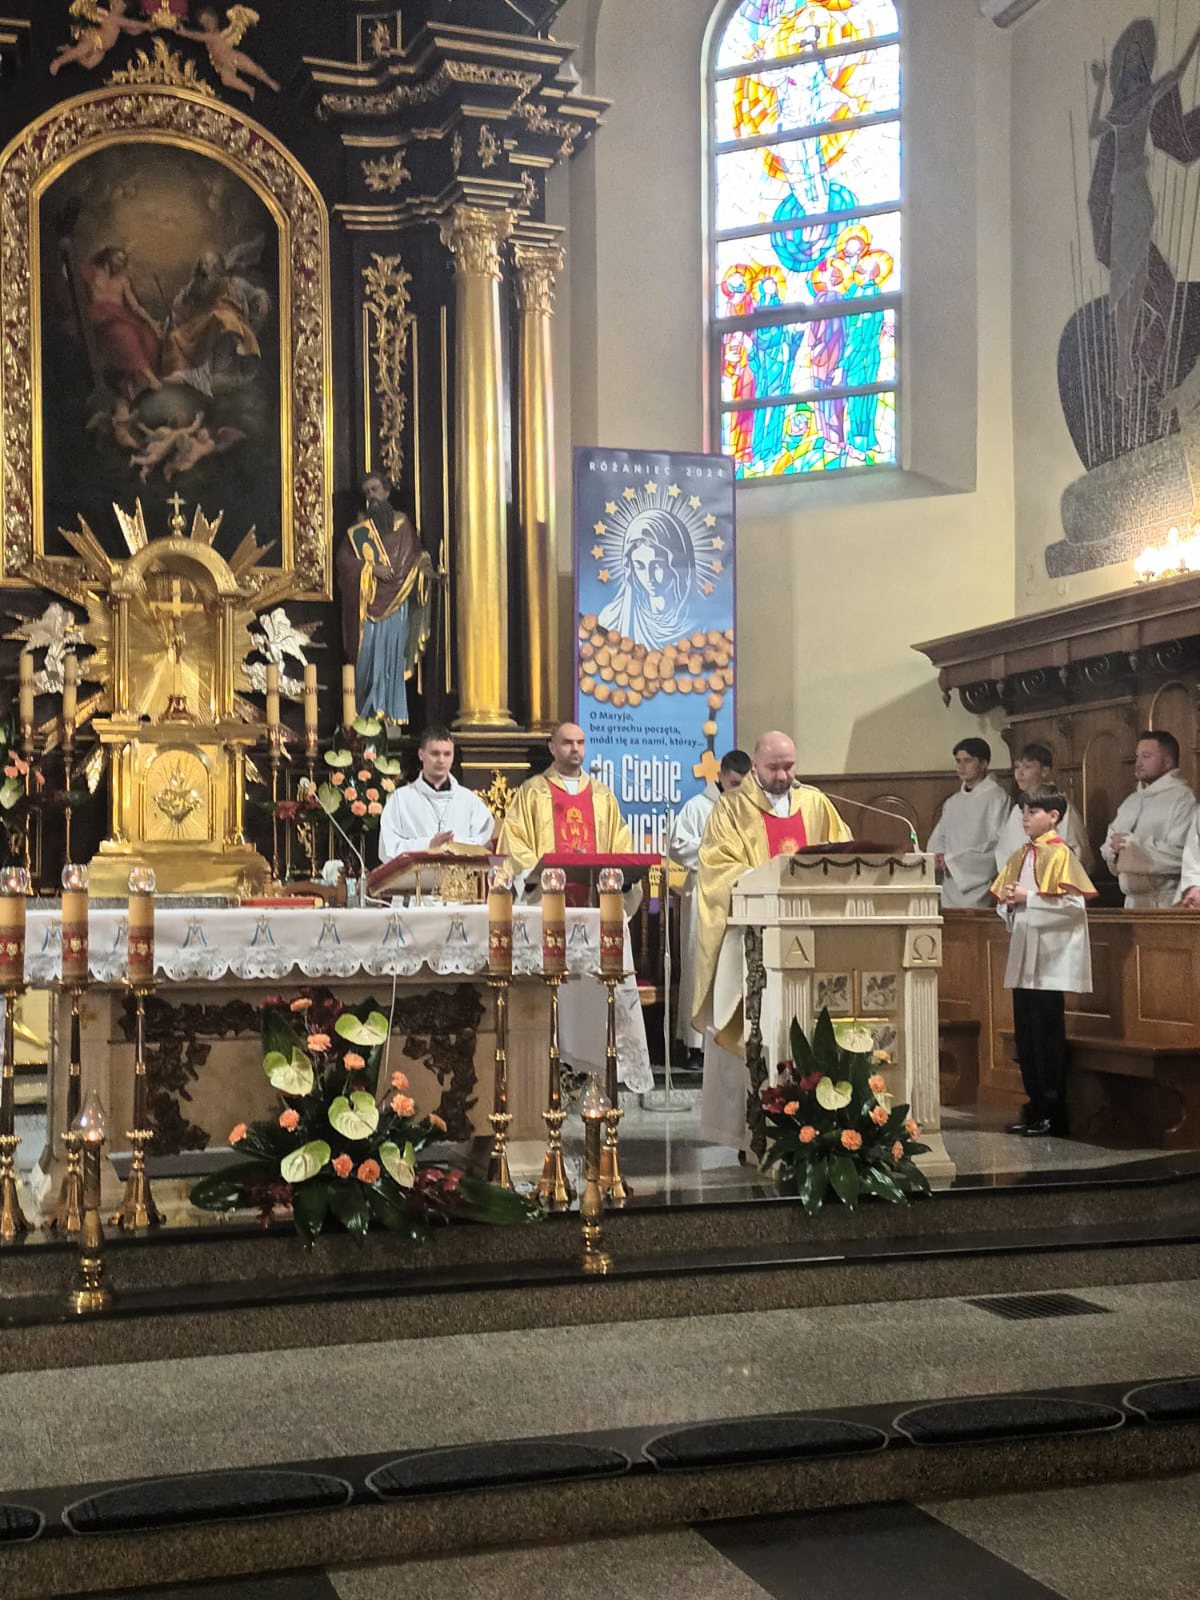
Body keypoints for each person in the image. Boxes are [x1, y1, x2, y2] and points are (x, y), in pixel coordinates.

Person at [693, 731, 850, 1053]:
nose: (782, 776)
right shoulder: (731, 807)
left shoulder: (815, 803)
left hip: (814, 929)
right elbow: (717, 868)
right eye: (773, 768)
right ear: (755, 766)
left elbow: (844, 852)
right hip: (754, 934)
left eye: (789, 767)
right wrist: (770, 877)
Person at [991, 789, 1098, 1138]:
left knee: (1047, 1037)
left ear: (1053, 816)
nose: (1025, 817)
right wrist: (1009, 904)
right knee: (1027, 1037)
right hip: (1024, 954)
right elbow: (1008, 903)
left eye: (1033, 812)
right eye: (1024, 811)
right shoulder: (1022, 854)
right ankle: (1035, 1106)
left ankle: (1053, 1111)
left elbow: (1073, 907)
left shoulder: (1061, 854)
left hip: (1049, 960)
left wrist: (1030, 898)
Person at [670, 749, 751, 1067]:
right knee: (701, 964)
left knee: (734, 967)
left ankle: (735, 1038)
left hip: (740, 897)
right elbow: (677, 845)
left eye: (744, 785)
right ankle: (696, 1045)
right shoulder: (698, 807)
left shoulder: (749, 809)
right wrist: (715, 855)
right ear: (720, 777)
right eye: (733, 784)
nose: (738, 790)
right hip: (704, 897)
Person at [336, 473, 433, 727]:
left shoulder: (403, 525)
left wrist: (424, 568)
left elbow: (415, 558)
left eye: (375, 489)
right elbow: (344, 563)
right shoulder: (359, 529)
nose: (372, 496)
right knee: (366, 657)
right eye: (367, 492)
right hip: (367, 604)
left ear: (387, 492)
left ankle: (388, 714)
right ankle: (365, 716)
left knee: (391, 658)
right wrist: (370, 569)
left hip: (397, 602)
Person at [498, 722, 632, 891]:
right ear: (552, 748)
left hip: (596, 894)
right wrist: (541, 874)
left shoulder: (601, 795)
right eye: (567, 743)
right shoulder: (533, 791)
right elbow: (515, 839)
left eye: (580, 743)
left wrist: (614, 878)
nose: (575, 748)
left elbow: (620, 842)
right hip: (547, 894)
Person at [1101, 730, 1197, 907]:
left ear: (1167, 762)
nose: (1138, 763)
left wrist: (1134, 846)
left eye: (1146, 756)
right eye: (1137, 757)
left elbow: (1183, 856)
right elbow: (1109, 843)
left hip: (1163, 902)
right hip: (1131, 902)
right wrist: (1113, 850)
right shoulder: (1131, 801)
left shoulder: (1182, 799)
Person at [378, 727, 495, 861]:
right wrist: (429, 845)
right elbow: (387, 848)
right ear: (421, 754)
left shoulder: (470, 801)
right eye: (435, 753)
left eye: (447, 754)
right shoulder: (400, 800)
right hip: (417, 875)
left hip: (459, 873)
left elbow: (486, 844)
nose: (441, 760)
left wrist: (453, 846)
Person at [597, 508, 698, 652]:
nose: (649, 577)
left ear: (677, 565)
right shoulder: (611, 619)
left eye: (657, 566)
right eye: (639, 566)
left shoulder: (700, 624)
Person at [927, 738, 1010, 908]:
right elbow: (940, 836)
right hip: (948, 883)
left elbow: (998, 844)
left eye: (968, 760)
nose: (961, 767)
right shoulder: (953, 802)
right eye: (958, 761)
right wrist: (938, 855)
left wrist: (954, 863)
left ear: (984, 763)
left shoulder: (997, 798)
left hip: (978, 884)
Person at [995, 743, 1093, 873]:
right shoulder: (1017, 810)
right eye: (1017, 767)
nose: (1019, 773)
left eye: (1027, 767)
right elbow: (1004, 851)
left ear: (1044, 771)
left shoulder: (1060, 808)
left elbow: (1076, 852)